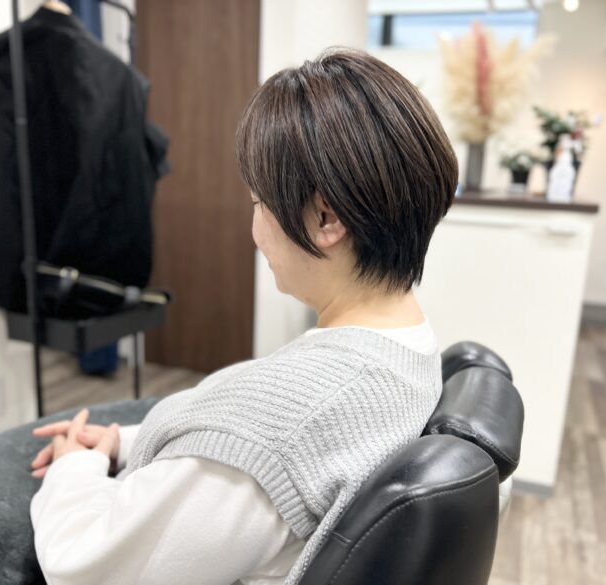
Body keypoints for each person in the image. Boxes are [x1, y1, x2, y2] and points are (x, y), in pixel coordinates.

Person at [28, 48, 458, 585]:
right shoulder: (408, 343)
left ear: (325, 218)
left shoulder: (280, 435)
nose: (254, 231)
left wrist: (75, 464)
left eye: (258, 202)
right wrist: (125, 443)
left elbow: (85, 566)